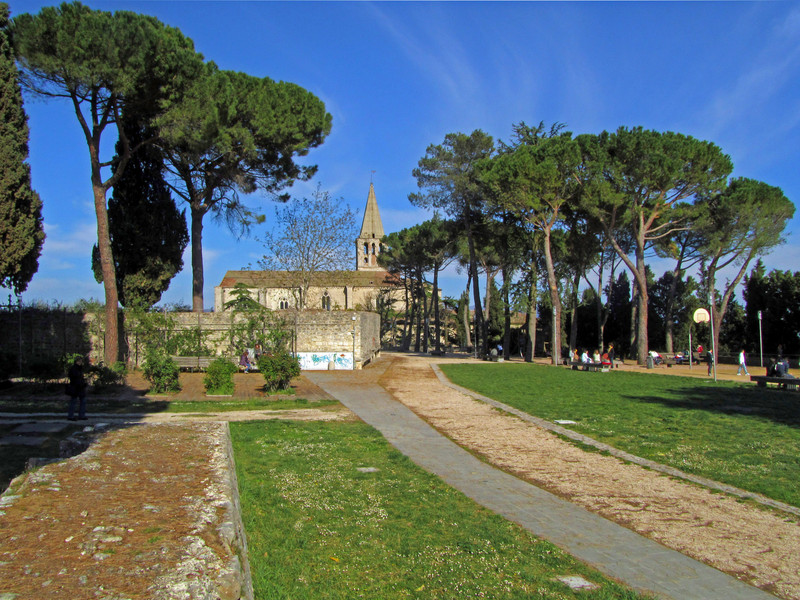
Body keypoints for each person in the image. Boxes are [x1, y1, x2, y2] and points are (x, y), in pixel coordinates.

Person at [66, 356, 88, 421]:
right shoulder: (74, 369)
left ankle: (81, 415)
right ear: (77, 361)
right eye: (79, 361)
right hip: (75, 387)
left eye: (81, 361)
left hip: (80, 387)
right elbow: (74, 378)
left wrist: (83, 383)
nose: (81, 362)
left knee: (83, 401)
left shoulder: (79, 368)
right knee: (73, 401)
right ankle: (71, 416)